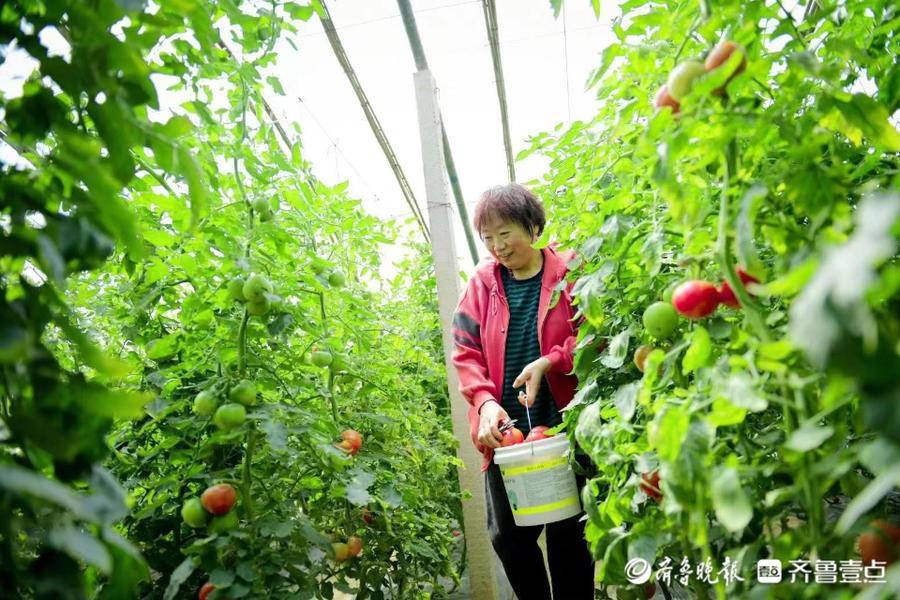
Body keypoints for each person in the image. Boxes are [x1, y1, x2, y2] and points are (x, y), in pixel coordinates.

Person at [451, 183, 595, 599]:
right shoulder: (481, 284)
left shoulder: (570, 272)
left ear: (533, 229)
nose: (497, 246)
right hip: (507, 431)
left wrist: (552, 360)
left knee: (571, 538)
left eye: (505, 233)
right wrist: (486, 401)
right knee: (509, 538)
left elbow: (593, 337)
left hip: (566, 426)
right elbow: (465, 351)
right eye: (488, 238)